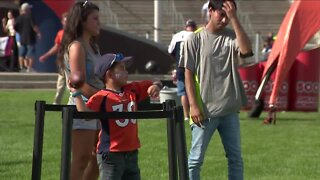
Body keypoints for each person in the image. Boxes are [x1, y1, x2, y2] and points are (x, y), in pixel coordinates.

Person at [180, 0, 253, 179]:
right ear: (210, 11)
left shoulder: (231, 36)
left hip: (229, 110)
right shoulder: (194, 38)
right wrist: (193, 106)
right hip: (205, 111)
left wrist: (234, 18)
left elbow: (246, 50)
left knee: (235, 159)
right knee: (195, 160)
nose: (225, 19)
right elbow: (188, 75)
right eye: (222, 14)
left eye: (228, 15)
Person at [70, 53, 162, 180]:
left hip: (131, 152)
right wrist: (77, 94)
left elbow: (156, 82)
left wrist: (155, 86)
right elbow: (85, 114)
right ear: (109, 74)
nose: (126, 71)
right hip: (111, 154)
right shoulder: (101, 96)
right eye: (122, 68)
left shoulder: (132, 90)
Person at [58, 1, 103, 180]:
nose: (99, 22)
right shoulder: (77, 47)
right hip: (82, 108)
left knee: (100, 157)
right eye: (95, 18)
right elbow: (80, 85)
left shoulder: (94, 46)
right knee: (81, 159)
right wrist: (107, 96)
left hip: (99, 108)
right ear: (82, 21)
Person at [168, 19, 197, 121]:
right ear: (195, 27)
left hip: (180, 67)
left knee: (183, 92)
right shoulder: (196, 35)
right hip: (193, 67)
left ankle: (186, 115)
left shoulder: (177, 36)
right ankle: (196, 111)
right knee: (195, 89)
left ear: (186, 27)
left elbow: (170, 51)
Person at [39, 12, 68, 104]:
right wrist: (45, 56)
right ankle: (57, 102)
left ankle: (75, 102)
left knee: (72, 83)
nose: (67, 23)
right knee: (61, 82)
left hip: (73, 60)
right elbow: (56, 47)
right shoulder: (60, 33)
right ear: (62, 22)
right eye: (65, 21)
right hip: (63, 61)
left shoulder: (76, 34)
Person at [14, 2, 41, 72]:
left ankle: (21, 67)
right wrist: (38, 33)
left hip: (22, 38)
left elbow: (15, 26)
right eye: (29, 8)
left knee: (22, 53)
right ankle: (29, 68)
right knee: (31, 53)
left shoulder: (19, 17)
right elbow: (34, 26)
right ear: (27, 9)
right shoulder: (30, 16)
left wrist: (20, 31)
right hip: (30, 37)